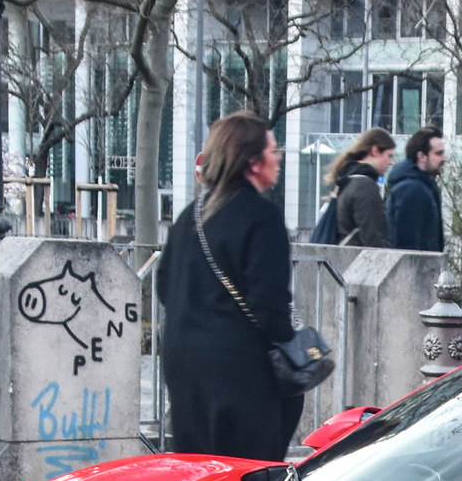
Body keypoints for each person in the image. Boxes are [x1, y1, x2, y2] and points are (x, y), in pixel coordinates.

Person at [158, 112, 298, 461]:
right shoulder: (261, 216)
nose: (278, 158)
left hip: (183, 363)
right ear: (253, 161)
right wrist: (291, 347)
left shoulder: (190, 215)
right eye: (273, 150)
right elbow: (269, 302)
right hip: (240, 370)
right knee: (248, 474)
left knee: (198, 471)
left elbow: (163, 285)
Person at [322, 128, 395, 247]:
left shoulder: (346, 180)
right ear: (375, 151)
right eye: (389, 155)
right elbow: (374, 239)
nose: (391, 162)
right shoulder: (365, 186)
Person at [385, 124, 447, 252]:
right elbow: (406, 244)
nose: (444, 159)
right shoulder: (413, 190)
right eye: (439, 153)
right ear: (422, 156)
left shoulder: (422, 187)